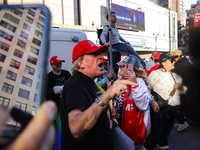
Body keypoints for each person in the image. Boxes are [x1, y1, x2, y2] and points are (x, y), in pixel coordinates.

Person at [59, 39, 136, 150]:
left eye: (100, 53)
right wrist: (107, 95)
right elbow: (76, 128)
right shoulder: (75, 85)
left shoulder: (89, 82)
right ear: (80, 63)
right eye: (94, 54)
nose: (100, 57)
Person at [114, 55, 159, 150]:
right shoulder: (120, 81)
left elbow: (143, 105)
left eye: (123, 66)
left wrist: (134, 84)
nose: (120, 67)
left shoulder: (139, 82)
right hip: (123, 129)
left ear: (130, 68)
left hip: (136, 131)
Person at [144, 52, 187, 150]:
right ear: (163, 62)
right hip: (160, 109)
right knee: (155, 135)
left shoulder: (176, 75)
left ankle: (163, 147)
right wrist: (152, 102)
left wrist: (180, 87)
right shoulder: (155, 74)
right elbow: (145, 89)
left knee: (165, 135)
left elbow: (185, 91)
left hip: (173, 109)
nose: (173, 62)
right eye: (171, 60)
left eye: (174, 60)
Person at [171, 49, 189, 132]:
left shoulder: (177, 65)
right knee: (182, 105)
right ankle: (183, 121)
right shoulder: (185, 63)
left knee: (178, 106)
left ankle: (183, 122)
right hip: (185, 86)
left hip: (180, 87)